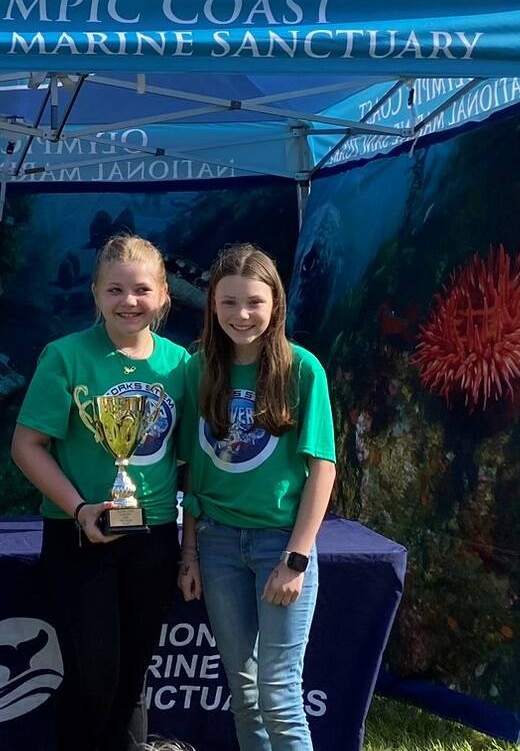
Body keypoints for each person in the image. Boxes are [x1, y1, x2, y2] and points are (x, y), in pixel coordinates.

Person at [11, 233, 189, 751]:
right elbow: (27, 445)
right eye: (114, 290)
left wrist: (189, 542)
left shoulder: (181, 365)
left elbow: (190, 458)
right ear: (94, 294)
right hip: (80, 536)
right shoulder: (65, 357)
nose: (128, 302)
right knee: (95, 678)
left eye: (140, 290)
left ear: (163, 297)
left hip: (153, 537)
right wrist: (81, 508)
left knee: (132, 681)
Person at [177, 244, 336, 751]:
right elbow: (192, 473)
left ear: (275, 305)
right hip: (218, 546)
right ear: (212, 307)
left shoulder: (303, 370)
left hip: (279, 548)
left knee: (279, 694)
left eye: (253, 302)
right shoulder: (196, 368)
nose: (241, 315)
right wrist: (190, 554)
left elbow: (322, 469)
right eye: (227, 303)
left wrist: (296, 558)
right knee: (243, 694)